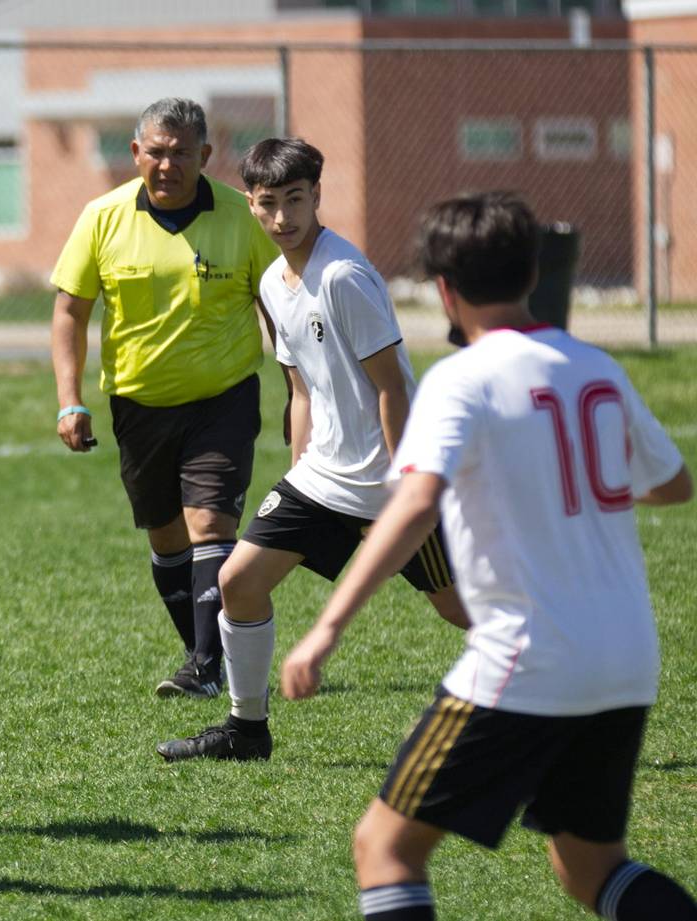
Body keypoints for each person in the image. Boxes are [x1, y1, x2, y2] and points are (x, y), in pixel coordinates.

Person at [282, 191, 697, 921]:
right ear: (535, 273)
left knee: (385, 848)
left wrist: (326, 628)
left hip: (528, 656)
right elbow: (672, 483)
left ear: (444, 289)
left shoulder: (461, 379)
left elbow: (413, 504)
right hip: (626, 656)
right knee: (590, 866)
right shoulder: (595, 366)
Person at [157, 137, 468, 763]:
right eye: (268, 203)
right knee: (238, 581)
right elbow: (300, 389)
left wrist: (409, 481)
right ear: (250, 203)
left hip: (390, 482)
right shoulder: (273, 283)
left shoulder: (344, 276)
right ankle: (246, 730)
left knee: (463, 611)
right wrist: (297, 475)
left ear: (317, 196)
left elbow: (392, 388)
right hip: (323, 479)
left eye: (295, 200)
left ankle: (561, 687)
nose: (283, 217)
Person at [49, 97, 280, 699]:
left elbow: (279, 304)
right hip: (139, 405)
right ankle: (207, 654)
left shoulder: (242, 217)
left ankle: (204, 665)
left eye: (182, 153)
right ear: (135, 153)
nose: (168, 164)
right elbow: (70, 312)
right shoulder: (101, 217)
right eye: (156, 151)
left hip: (223, 398)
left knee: (210, 523)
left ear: (206, 155)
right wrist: (70, 400)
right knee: (166, 537)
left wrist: (302, 387)